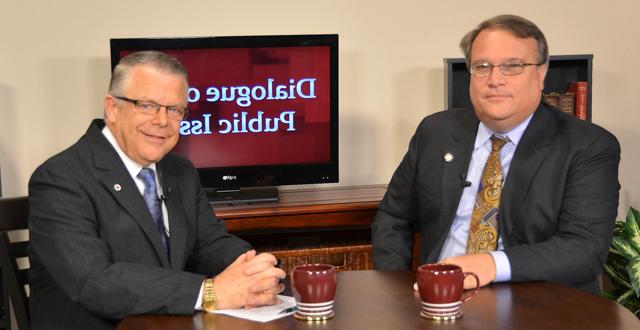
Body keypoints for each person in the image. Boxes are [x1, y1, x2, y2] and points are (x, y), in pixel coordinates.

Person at [28, 51, 286, 329]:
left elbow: (209, 243)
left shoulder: (181, 171)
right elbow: (94, 281)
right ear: (112, 108)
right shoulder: (60, 178)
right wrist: (211, 292)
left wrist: (252, 270)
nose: (162, 121)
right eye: (148, 105)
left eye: (175, 109)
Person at [371, 14, 620, 294]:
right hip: (438, 302)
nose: (495, 79)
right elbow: (394, 217)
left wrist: (490, 264)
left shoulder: (588, 147)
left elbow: (583, 251)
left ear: (540, 74)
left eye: (512, 66)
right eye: (483, 66)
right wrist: (396, 290)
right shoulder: (436, 132)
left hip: (538, 308)